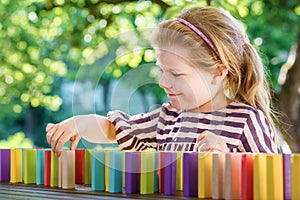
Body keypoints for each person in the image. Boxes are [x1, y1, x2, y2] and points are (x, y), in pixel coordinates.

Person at [46, 7, 280, 156]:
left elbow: (275, 186)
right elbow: (115, 130)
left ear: (218, 72)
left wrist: (230, 165)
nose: (163, 82)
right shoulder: (167, 118)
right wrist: (80, 122)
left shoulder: (247, 121)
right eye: (161, 70)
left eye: (176, 74)